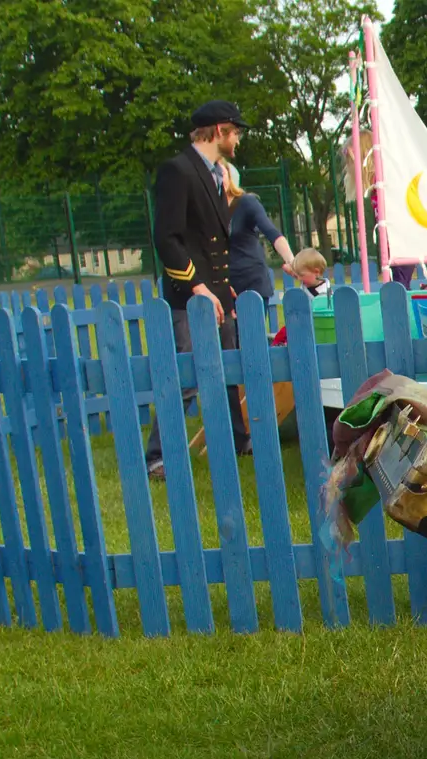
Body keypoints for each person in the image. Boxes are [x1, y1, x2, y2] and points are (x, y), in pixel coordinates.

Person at [145, 99, 252, 479]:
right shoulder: (178, 170)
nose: (238, 138)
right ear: (220, 130)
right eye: (235, 130)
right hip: (189, 296)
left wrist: (224, 289)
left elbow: (212, 244)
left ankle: (237, 440)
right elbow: (167, 238)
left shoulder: (216, 174)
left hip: (217, 294)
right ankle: (157, 456)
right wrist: (197, 287)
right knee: (187, 375)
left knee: (226, 371)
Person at [222, 162, 298, 313]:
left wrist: (291, 260)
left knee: (250, 335)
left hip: (251, 284)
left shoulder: (246, 203)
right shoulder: (208, 208)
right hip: (223, 287)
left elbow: (272, 232)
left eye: (220, 173)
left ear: (229, 177)